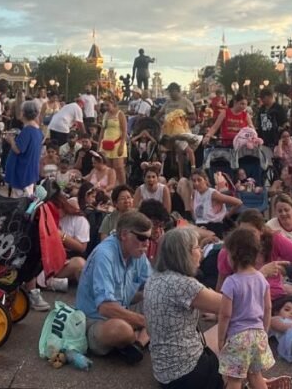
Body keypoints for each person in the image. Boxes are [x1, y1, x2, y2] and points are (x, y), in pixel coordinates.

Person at [144, 227, 226, 388]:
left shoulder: (154, 278)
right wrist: (257, 276)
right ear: (185, 253)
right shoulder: (184, 285)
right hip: (188, 374)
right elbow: (232, 307)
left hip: (164, 371)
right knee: (238, 328)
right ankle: (246, 380)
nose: (201, 251)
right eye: (197, 247)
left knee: (217, 330)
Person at [76, 211, 152, 363]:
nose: (147, 243)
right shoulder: (105, 254)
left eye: (149, 238)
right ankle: (139, 337)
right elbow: (105, 308)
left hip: (122, 308)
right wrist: (148, 322)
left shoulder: (137, 254)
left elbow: (154, 285)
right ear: (124, 234)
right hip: (95, 320)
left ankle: (137, 343)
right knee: (121, 330)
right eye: (142, 238)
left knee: (159, 299)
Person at [217, 210, 292, 304]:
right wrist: (217, 309)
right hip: (247, 302)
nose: (245, 236)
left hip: (276, 297)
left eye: (250, 232)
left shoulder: (274, 239)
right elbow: (223, 284)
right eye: (242, 232)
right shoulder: (229, 251)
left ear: (261, 231)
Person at [217, 228, 274, 389]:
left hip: (238, 337)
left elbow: (225, 315)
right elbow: (268, 308)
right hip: (258, 335)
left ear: (233, 254)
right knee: (256, 376)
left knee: (234, 379)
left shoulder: (231, 282)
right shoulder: (261, 278)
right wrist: (264, 331)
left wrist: (221, 339)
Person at [4, 100, 43, 198]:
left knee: (20, 200)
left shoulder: (27, 131)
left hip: (22, 173)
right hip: (30, 171)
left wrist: (11, 140)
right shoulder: (37, 130)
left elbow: (18, 149)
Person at [191, 169, 243, 238]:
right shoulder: (195, 193)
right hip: (200, 226)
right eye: (194, 181)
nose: (196, 183)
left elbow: (238, 202)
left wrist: (227, 215)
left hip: (213, 227)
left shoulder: (213, 194)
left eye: (199, 180)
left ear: (205, 180)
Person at [100, 96, 128, 186]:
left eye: (108, 105)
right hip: (106, 143)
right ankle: (112, 185)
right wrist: (99, 144)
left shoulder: (120, 114)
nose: (106, 108)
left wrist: (121, 146)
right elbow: (102, 130)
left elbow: (124, 131)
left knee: (119, 167)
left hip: (118, 143)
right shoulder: (105, 115)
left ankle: (123, 186)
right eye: (105, 106)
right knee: (109, 167)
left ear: (113, 104)